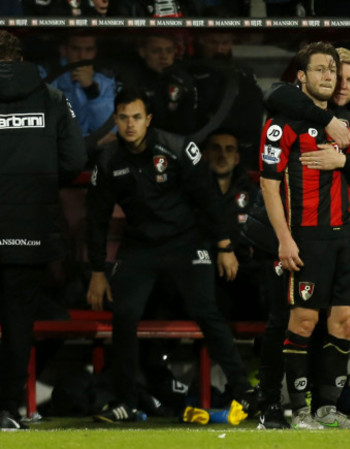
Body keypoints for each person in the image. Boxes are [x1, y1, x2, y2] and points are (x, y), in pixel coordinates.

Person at [85, 87, 254, 422]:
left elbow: (208, 198)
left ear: (148, 119)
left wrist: (223, 246)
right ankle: (125, 402)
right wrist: (97, 270)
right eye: (123, 118)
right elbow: (96, 219)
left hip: (187, 242)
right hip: (140, 247)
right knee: (125, 314)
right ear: (115, 120)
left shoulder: (178, 148)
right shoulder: (107, 160)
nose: (130, 124)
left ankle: (246, 392)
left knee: (207, 310)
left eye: (136, 117)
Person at [257, 47, 350, 427]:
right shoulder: (281, 124)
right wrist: (285, 239)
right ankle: (297, 409)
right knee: (301, 322)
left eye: (333, 71)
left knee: (345, 322)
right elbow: (269, 187)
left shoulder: (343, 123)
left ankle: (328, 408)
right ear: (300, 76)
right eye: (320, 69)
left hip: (346, 239)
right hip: (307, 238)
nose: (329, 76)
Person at [0, 30, 87, 430]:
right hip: (29, 226)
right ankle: (5, 409)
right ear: (20, 57)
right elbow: (74, 160)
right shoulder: (52, 98)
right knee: (18, 321)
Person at [200, 129, 263, 320]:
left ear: (237, 158)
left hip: (243, 269)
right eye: (216, 149)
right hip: (203, 268)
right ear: (205, 154)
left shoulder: (251, 191)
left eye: (229, 150)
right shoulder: (193, 189)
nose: (222, 155)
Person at [188, 31, 264, 170]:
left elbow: (253, 118)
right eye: (213, 43)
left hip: (237, 151)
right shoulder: (187, 74)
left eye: (225, 43)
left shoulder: (243, 75)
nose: (219, 49)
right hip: (197, 149)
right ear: (201, 41)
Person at [43, 32, 116, 152]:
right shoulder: (47, 74)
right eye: (75, 49)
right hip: (56, 150)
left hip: (95, 151)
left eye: (89, 49)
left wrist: (91, 90)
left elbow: (108, 132)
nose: (82, 56)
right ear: (64, 50)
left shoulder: (106, 80)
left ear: (95, 51)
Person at [118, 33, 197, 136]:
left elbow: (191, 122)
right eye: (156, 51)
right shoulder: (130, 80)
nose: (164, 56)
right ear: (142, 52)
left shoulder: (184, 81)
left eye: (169, 51)